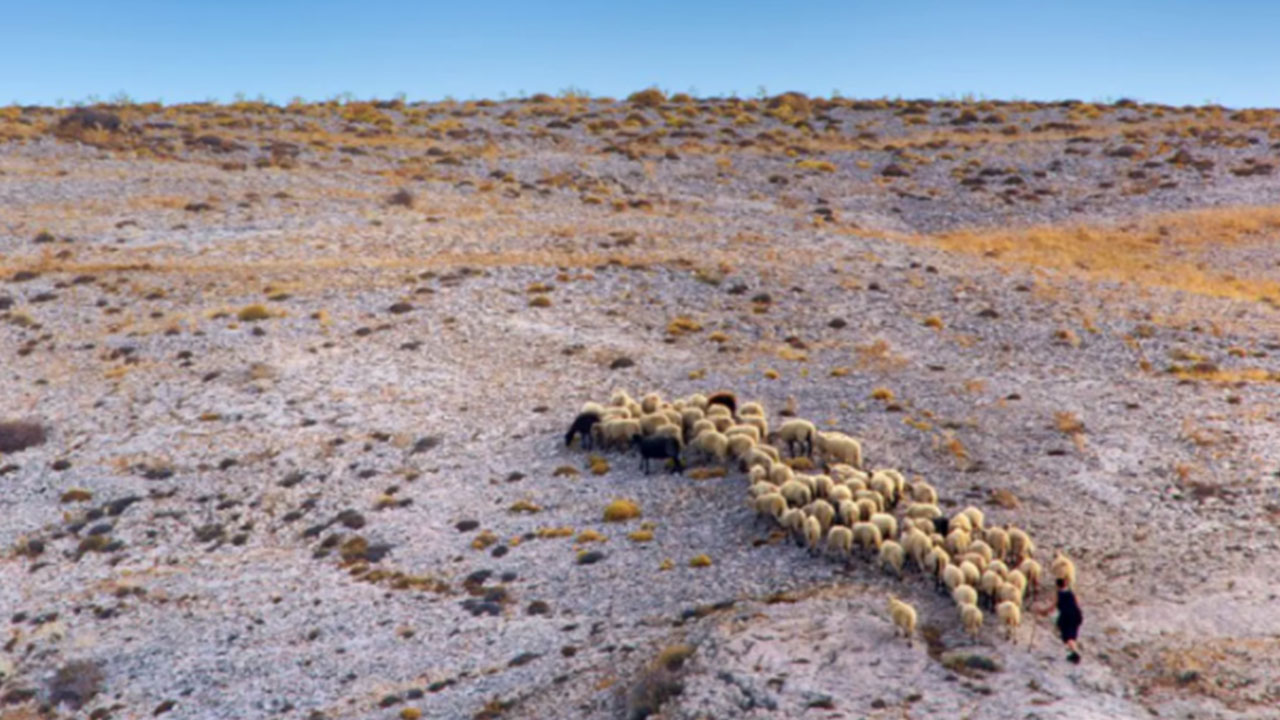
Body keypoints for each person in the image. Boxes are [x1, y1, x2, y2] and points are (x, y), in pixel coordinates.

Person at [1037, 577, 1083, 663]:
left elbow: (1052, 607)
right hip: (1076, 615)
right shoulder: (1071, 593)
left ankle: (1075, 654)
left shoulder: (1059, 594)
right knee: (1072, 636)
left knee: (1068, 637)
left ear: (1057, 586)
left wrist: (1042, 611)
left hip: (1066, 616)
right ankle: (1072, 654)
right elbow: (1077, 604)